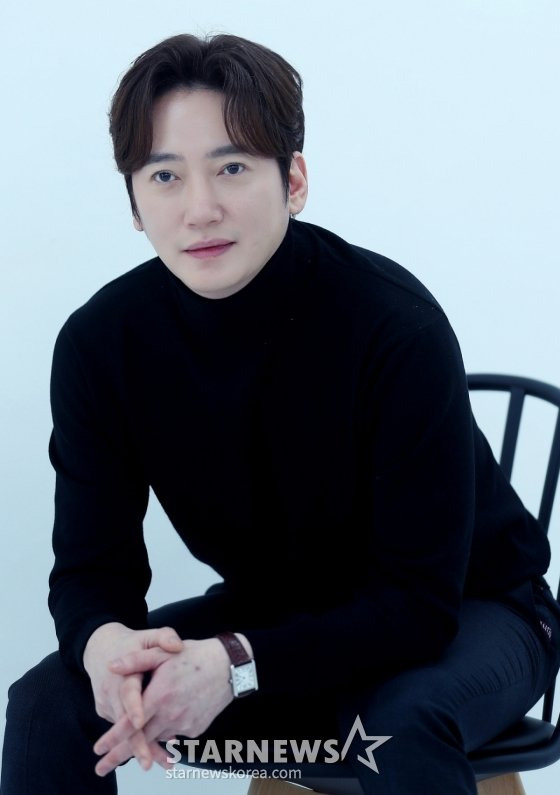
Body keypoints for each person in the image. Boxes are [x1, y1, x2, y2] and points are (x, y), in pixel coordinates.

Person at [2, 33, 560, 795]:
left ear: (293, 180)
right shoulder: (103, 344)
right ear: (134, 201)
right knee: (48, 701)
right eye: (165, 175)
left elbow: (418, 605)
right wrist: (104, 646)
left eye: (232, 167)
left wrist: (238, 662)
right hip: (280, 617)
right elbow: (93, 568)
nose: (200, 209)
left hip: (472, 611)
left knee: (394, 724)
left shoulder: (392, 324)